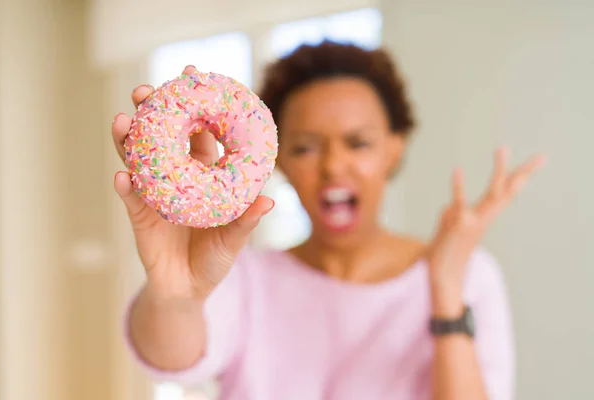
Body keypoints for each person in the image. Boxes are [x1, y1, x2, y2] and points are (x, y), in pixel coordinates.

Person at [111, 41, 544, 400]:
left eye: (358, 143)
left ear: (395, 148)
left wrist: (446, 288)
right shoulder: (243, 276)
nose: (334, 166)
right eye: (305, 147)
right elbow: (170, 359)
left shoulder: (470, 276)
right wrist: (175, 294)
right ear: (276, 161)